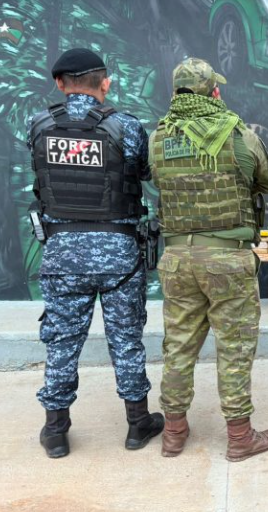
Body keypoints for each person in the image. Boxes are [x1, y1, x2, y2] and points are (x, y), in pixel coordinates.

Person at [27, 48, 164, 459]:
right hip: (118, 254)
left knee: (61, 343)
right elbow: (142, 172)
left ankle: (55, 431)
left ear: (59, 84)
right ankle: (138, 425)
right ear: (105, 83)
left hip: (62, 253)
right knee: (126, 340)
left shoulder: (38, 125)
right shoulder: (126, 127)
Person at [150, 58, 268, 461]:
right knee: (235, 347)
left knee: (179, 345)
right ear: (214, 92)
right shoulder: (239, 136)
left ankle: (173, 433)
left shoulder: (158, 138)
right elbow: (266, 182)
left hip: (177, 259)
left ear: (176, 94)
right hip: (227, 258)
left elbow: (156, 180)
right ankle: (240, 438)